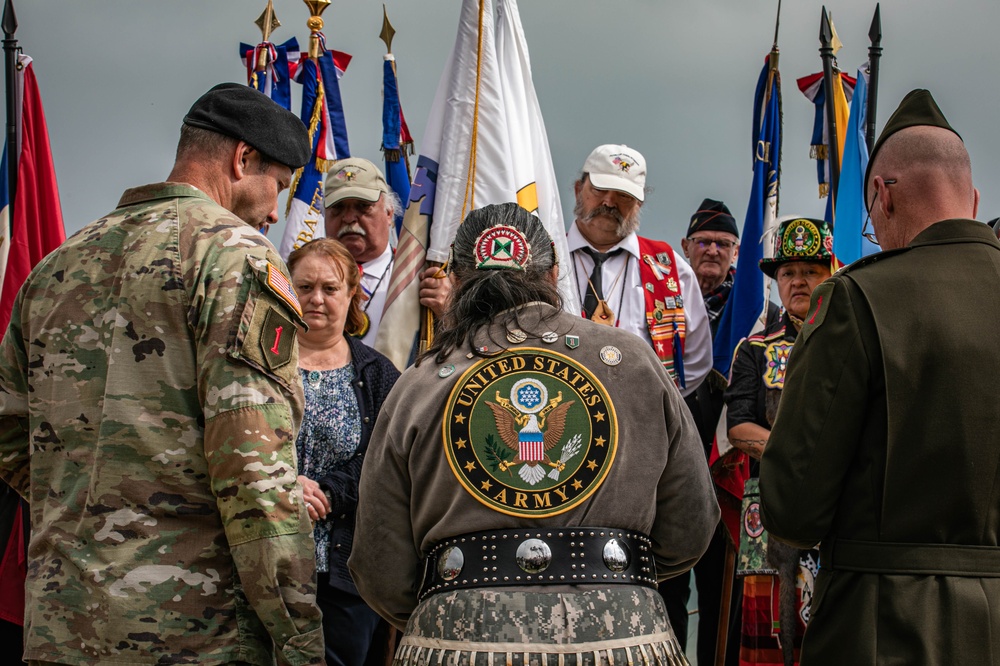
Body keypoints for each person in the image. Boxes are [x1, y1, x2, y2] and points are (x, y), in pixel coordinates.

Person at [0, 83, 324, 665]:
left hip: (61, 628)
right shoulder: (235, 256)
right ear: (242, 158)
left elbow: (8, 434)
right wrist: (299, 636)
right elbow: (254, 472)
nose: (276, 210)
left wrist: (96, 506)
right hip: (191, 634)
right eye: (277, 184)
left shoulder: (57, 266)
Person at [349, 202, 720, 666]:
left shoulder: (419, 384)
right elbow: (692, 525)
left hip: (457, 643)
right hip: (623, 639)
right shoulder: (631, 359)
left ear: (457, 281)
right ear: (554, 272)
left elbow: (380, 566)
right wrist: (613, 583)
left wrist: (447, 608)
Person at [760, 90, 999, 665]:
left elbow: (793, 507)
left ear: (882, 196)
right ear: (973, 197)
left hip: (884, 624)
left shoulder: (856, 299)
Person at [725, 217, 833, 666]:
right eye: (788, 273)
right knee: (769, 632)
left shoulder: (854, 340)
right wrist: (797, 456)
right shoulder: (753, 347)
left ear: (833, 273)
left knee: (835, 617)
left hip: (840, 506)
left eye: (810, 270)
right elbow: (738, 426)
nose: (798, 281)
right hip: (770, 506)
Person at [287, 238, 400, 666]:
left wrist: (329, 493)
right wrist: (282, 481)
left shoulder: (377, 373)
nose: (316, 299)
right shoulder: (255, 362)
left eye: (330, 288)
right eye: (305, 286)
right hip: (262, 562)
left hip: (345, 573)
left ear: (353, 293)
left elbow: (385, 460)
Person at [661, 198, 751, 666]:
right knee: (667, 591)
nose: (712, 251)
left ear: (736, 251)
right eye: (704, 242)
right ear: (685, 246)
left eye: (723, 243)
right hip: (669, 474)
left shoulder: (757, 315)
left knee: (724, 598)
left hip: (727, 476)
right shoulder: (661, 306)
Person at [566, 144, 712, 398]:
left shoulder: (668, 266)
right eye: (600, 189)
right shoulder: (546, 256)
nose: (609, 202)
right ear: (579, 190)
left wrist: (653, 403)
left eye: (623, 195)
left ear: (639, 203)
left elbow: (697, 358)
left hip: (638, 415)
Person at [323, 157, 450, 352]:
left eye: (363, 206)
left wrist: (449, 312)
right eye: (338, 208)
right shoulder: (302, 282)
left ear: (389, 213)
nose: (348, 218)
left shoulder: (420, 277)